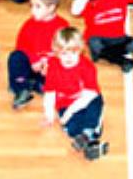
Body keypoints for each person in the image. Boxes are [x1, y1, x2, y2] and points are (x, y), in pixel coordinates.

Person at [42, 27, 109, 161]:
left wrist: (70, 112)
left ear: (80, 50)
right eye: (64, 53)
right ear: (56, 52)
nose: (68, 57)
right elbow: (49, 92)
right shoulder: (53, 67)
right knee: (71, 128)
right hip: (65, 103)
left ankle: (88, 133)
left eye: (73, 52)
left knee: (93, 111)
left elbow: (89, 95)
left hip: (87, 98)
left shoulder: (87, 67)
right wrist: (48, 114)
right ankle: (90, 144)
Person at [8, 0, 69, 109]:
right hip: (32, 64)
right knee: (15, 57)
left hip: (50, 68)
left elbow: (67, 52)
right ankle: (22, 89)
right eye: (31, 6)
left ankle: (37, 84)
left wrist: (49, 65)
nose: (32, 10)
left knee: (64, 76)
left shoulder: (62, 26)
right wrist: (34, 59)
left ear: (51, 8)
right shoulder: (29, 25)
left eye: (37, 6)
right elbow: (21, 46)